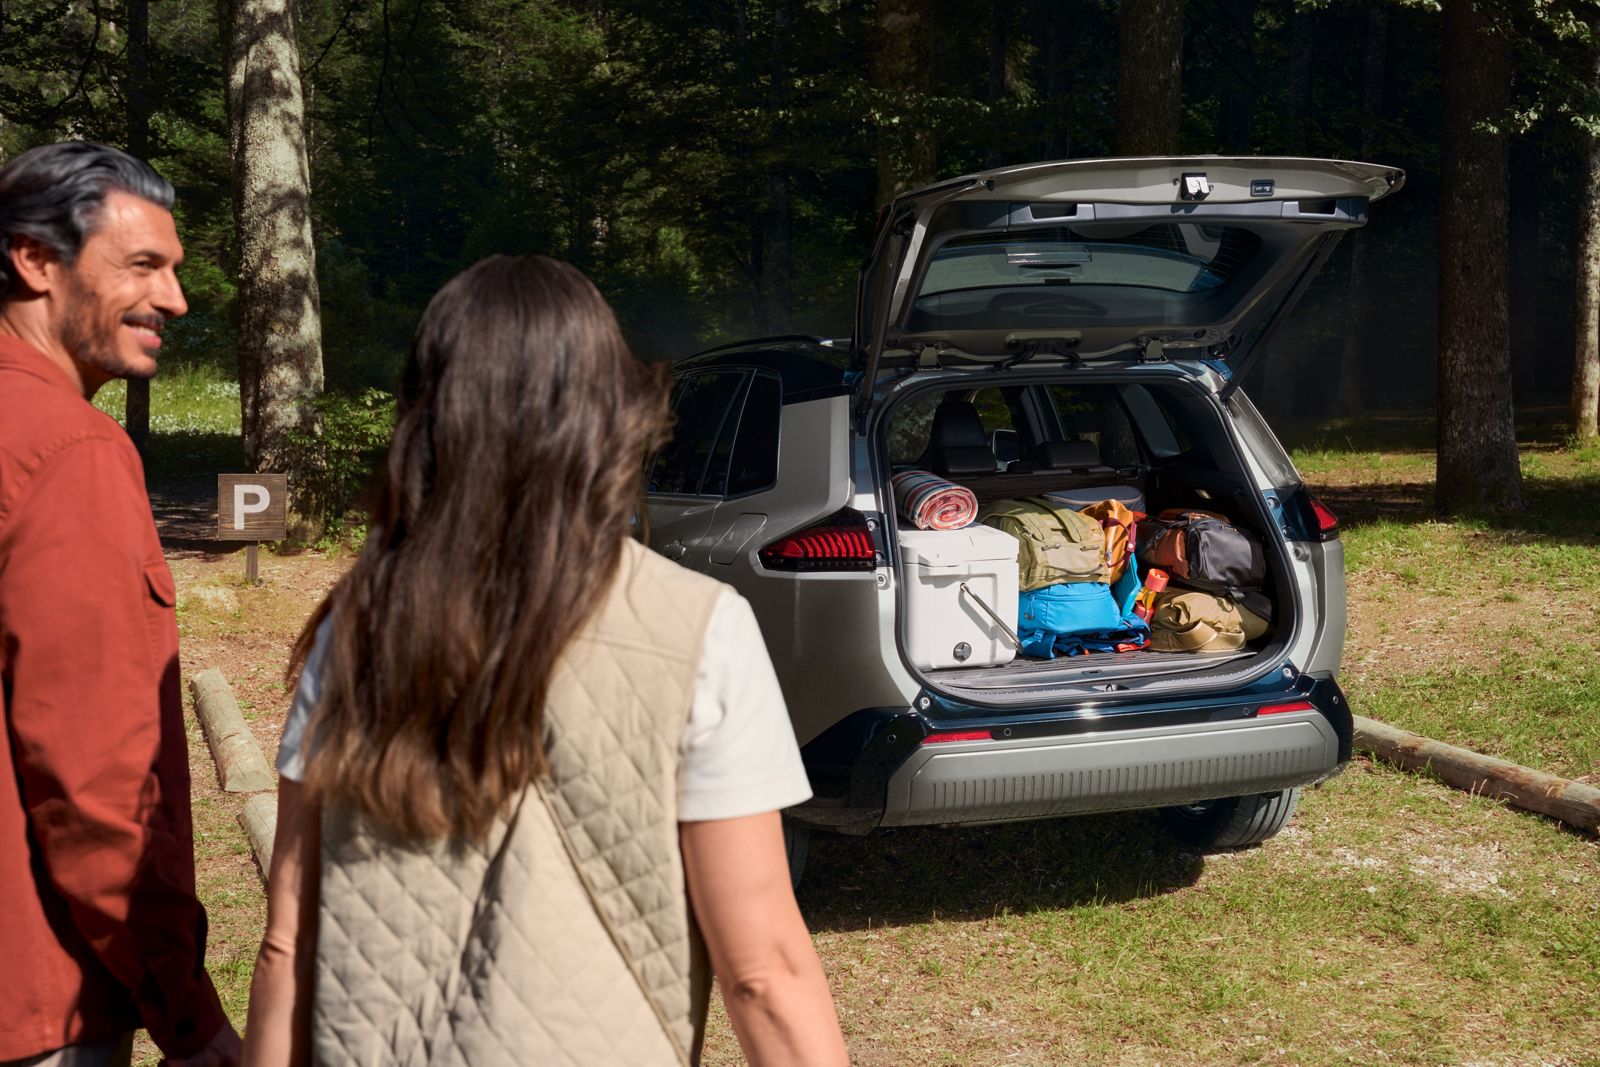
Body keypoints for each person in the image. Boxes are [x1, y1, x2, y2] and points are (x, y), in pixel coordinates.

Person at [243, 254, 848, 1066]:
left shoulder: (350, 627)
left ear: (427, 418)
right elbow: (764, 971)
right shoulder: (702, 629)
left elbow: (288, 942)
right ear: (607, 415)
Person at [0, 142, 242, 1066]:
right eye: (144, 265)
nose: (176, 299)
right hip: (39, 1001)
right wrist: (186, 1010)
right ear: (35, 260)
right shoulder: (71, 451)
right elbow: (93, 778)